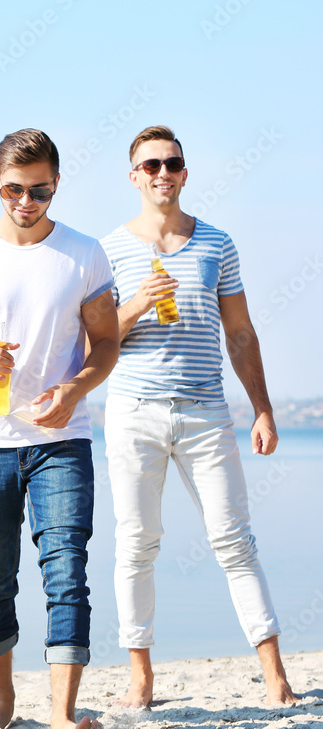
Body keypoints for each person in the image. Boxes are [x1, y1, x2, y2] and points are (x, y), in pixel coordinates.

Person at [0, 129, 119, 729]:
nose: (26, 202)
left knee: (66, 568)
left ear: (56, 184)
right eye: (14, 189)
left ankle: (61, 713)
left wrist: (76, 388)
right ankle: (3, 701)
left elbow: (107, 342)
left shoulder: (84, 252)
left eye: (39, 190)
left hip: (61, 439)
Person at [99, 124, 297, 709]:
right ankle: (141, 676)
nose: (164, 173)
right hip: (133, 411)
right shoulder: (107, 250)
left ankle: (276, 674)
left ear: (185, 172)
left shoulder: (217, 244)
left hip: (207, 411)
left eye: (173, 164)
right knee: (136, 544)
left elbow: (239, 333)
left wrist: (261, 408)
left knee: (234, 540)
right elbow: (93, 344)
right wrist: (134, 303)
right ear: (133, 176)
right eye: (152, 165)